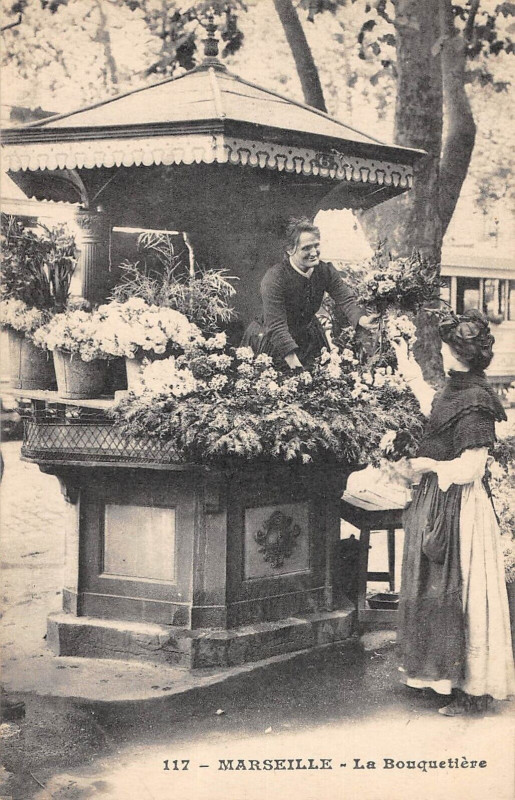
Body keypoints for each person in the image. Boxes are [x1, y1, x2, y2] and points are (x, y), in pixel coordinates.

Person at [393, 309, 514, 716]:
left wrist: (428, 465)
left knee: (460, 593)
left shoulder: (477, 400)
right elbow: (432, 402)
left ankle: (472, 688)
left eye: (446, 348)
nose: (442, 353)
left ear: (459, 354)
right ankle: (441, 678)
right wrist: (403, 356)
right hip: (440, 500)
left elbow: (472, 468)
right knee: (434, 589)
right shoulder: (456, 388)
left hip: (462, 507)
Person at [241, 218, 378, 369]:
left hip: (308, 337)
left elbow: (346, 299)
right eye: (306, 248)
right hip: (273, 339)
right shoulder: (275, 277)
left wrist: (362, 319)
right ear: (290, 250)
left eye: (316, 245)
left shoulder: (325, 271)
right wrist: (295, 364)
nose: (314, 253)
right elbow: (276, 325)